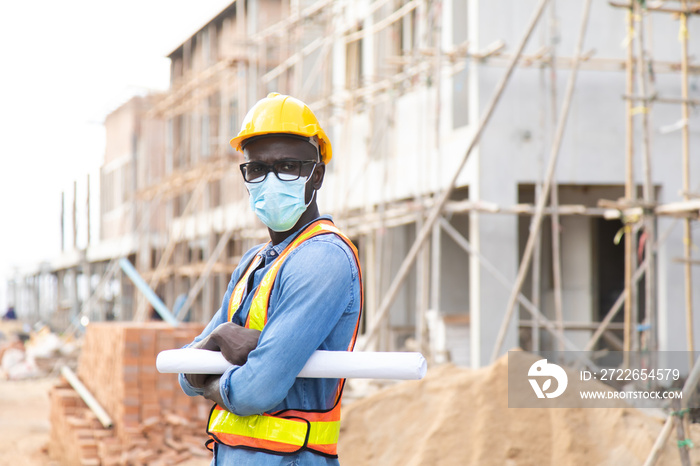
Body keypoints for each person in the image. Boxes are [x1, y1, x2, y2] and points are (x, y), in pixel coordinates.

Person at [179, 93, 363, 466]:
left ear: (317, 175)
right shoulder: (254, 262)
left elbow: (256, 390)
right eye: (257, 169)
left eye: (289, 166)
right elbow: (185, 374)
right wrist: (218, 338)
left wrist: (213, 381)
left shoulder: (323, 258)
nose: (271, 180)